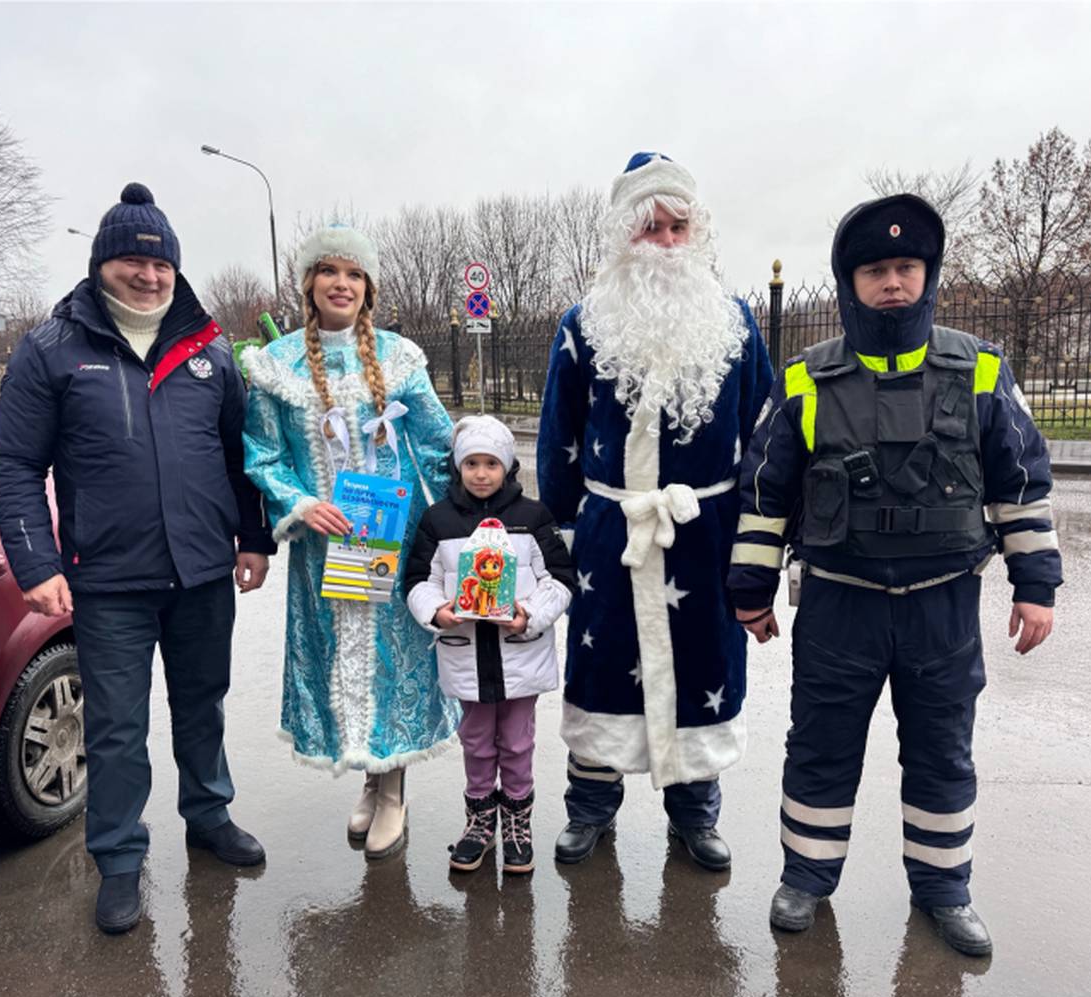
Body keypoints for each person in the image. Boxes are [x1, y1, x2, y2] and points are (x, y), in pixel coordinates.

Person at [729, 193, 1061, 956]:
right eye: (875, 270)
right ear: (852, 284)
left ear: (928, 273)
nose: (893, 283)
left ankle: (945, 889)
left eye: (906, 267)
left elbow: (1020, 482)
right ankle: (806, 877)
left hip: (941, 608)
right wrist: (749, 589)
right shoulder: (805, 379)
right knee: (819, 745)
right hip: (839, 607)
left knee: (943, 748)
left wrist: (1036, 586)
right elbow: (763, 491)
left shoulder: (979, 370)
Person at [0, 183, 275, 935]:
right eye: (131, 262)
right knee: (115, 727)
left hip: (204, 571)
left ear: (176, 272)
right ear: (100, 265)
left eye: (161, 266)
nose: (149, 277)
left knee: (202, 704)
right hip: (108, 579)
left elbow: (241, 454)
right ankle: (118, 859)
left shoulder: (209, 350)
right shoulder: (53, 348)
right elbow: (15, 460)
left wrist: (253, 538)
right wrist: (35, 563)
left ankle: (209, 816)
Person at [537, 152, 774, 871]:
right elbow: (558, 438)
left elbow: (766, 435)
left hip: (706, 539)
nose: (668, 244)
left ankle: (694, 815)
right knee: (602, 669)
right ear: (624, 237)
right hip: (614, 537)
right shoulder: (584, 325)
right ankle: (590, 811)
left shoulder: (733, 323)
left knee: (704, 668)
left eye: (679, 228)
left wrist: (758, 545)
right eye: (652, 230)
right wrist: (575, 530)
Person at [241, 224, 459, 859]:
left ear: (368, 289)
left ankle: (393, 789)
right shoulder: (277, 366)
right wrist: (302, 504)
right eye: (330, 271)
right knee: (342, 660)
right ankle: (370, 776)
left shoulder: (398, 358)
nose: (342, 283)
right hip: (323, 546)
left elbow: (438, 441)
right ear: (310, 283)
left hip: (391, 537)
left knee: (391, 661)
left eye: (354, 274)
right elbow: (263, 453)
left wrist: (463, 520)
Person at [405, 415, 575, 874]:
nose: (481, 473)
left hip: (519, 657)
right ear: (458, 467)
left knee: (518, 743)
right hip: (465, 657)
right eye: (472, 463)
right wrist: (437, 611)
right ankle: (479, 820)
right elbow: (418, 581)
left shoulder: (531, 518)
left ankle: (518, 821)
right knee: (477, 741)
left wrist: (530, 615)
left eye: (492, 464)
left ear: (508, 467)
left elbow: (559, 580)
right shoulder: (437, 520)